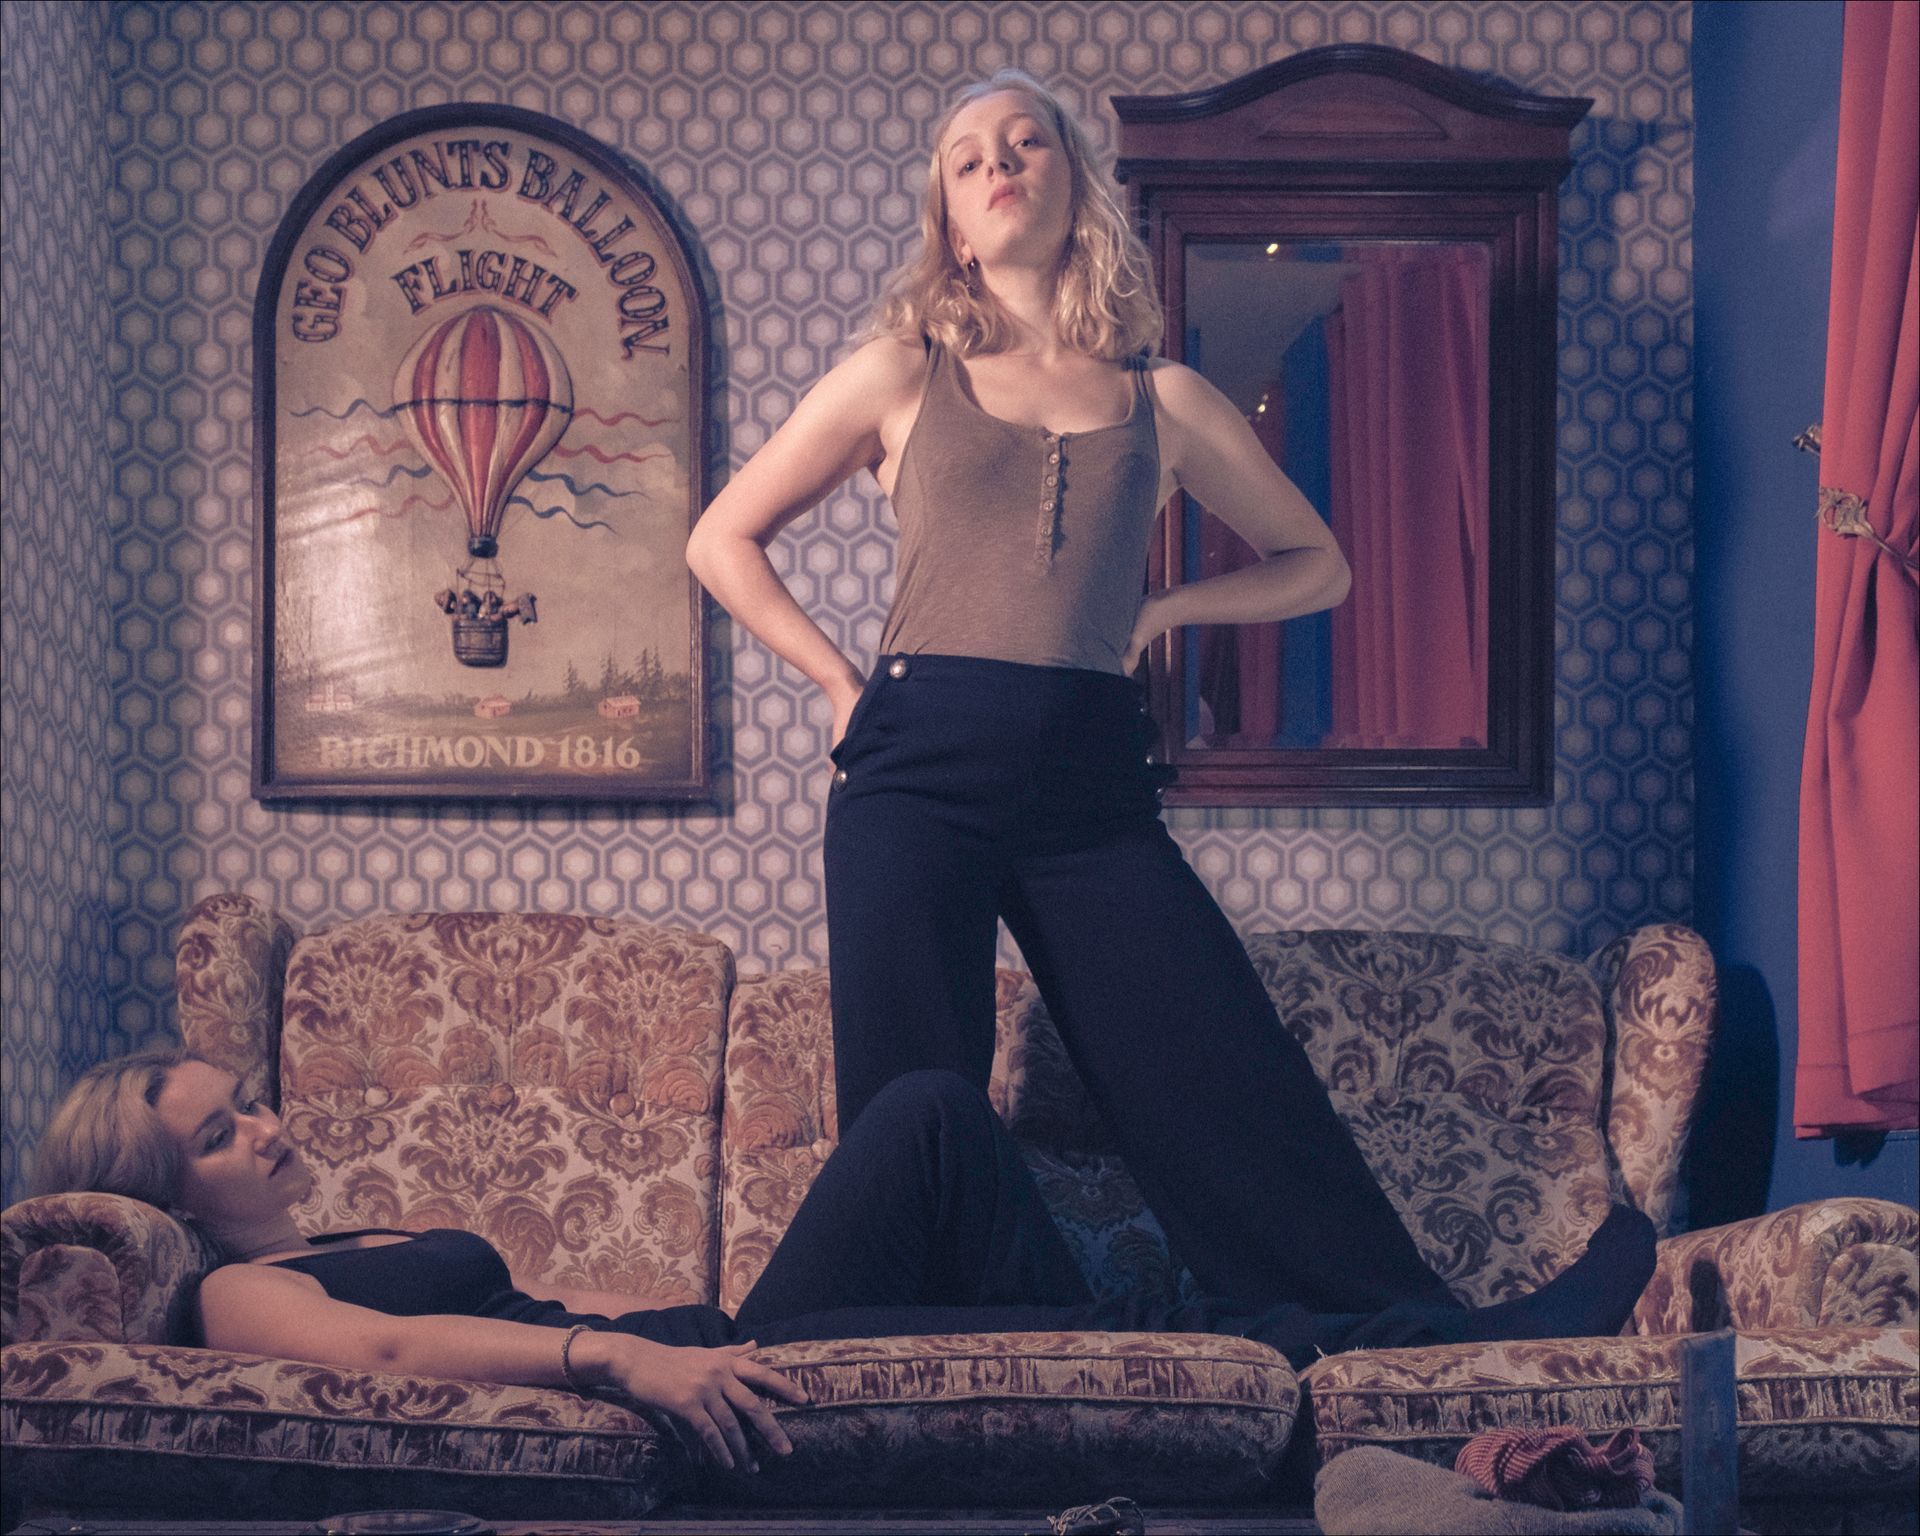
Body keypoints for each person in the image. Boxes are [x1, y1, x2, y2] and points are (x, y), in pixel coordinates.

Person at [684, 66, 1655, 1326]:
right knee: (912, 1092)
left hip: (1089, 775)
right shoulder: (900, 373)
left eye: (1026, 143)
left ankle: (1397, 1334)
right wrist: (833, 681)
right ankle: (917, 1363)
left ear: (1072, 185)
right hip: (916, 765)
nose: (998, 165)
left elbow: (1323, 564)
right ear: (949, 218)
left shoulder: (1169, 403)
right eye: (968, 157)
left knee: (1215, 1069)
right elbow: (721, 539)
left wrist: (1164, 610)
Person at [33, 1049, 1654, 1476]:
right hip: (723, 1366)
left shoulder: (341, 1235)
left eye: (243, 1102)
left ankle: (1409, 1340)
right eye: (215, 1132)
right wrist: (624, 1359)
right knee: (937, 1118)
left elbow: (450, 1311)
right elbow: (379, 1366)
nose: (257, 1126)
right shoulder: (230, 1297)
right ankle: (1452, 1339)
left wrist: (621, 1322)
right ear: (152, 1185)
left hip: (720, 1329)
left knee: (1067, 1283)